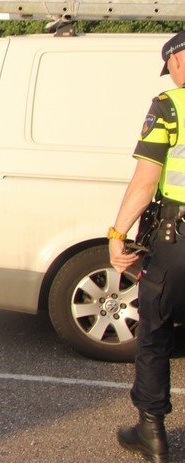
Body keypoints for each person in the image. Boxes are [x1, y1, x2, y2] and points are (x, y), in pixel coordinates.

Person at [109, 30, 185, 462]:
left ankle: (151, 432)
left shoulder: (170, 106)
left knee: (155, 332)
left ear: (176, 61)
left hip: (178, 240)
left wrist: (118, 234)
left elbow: (145, 180)